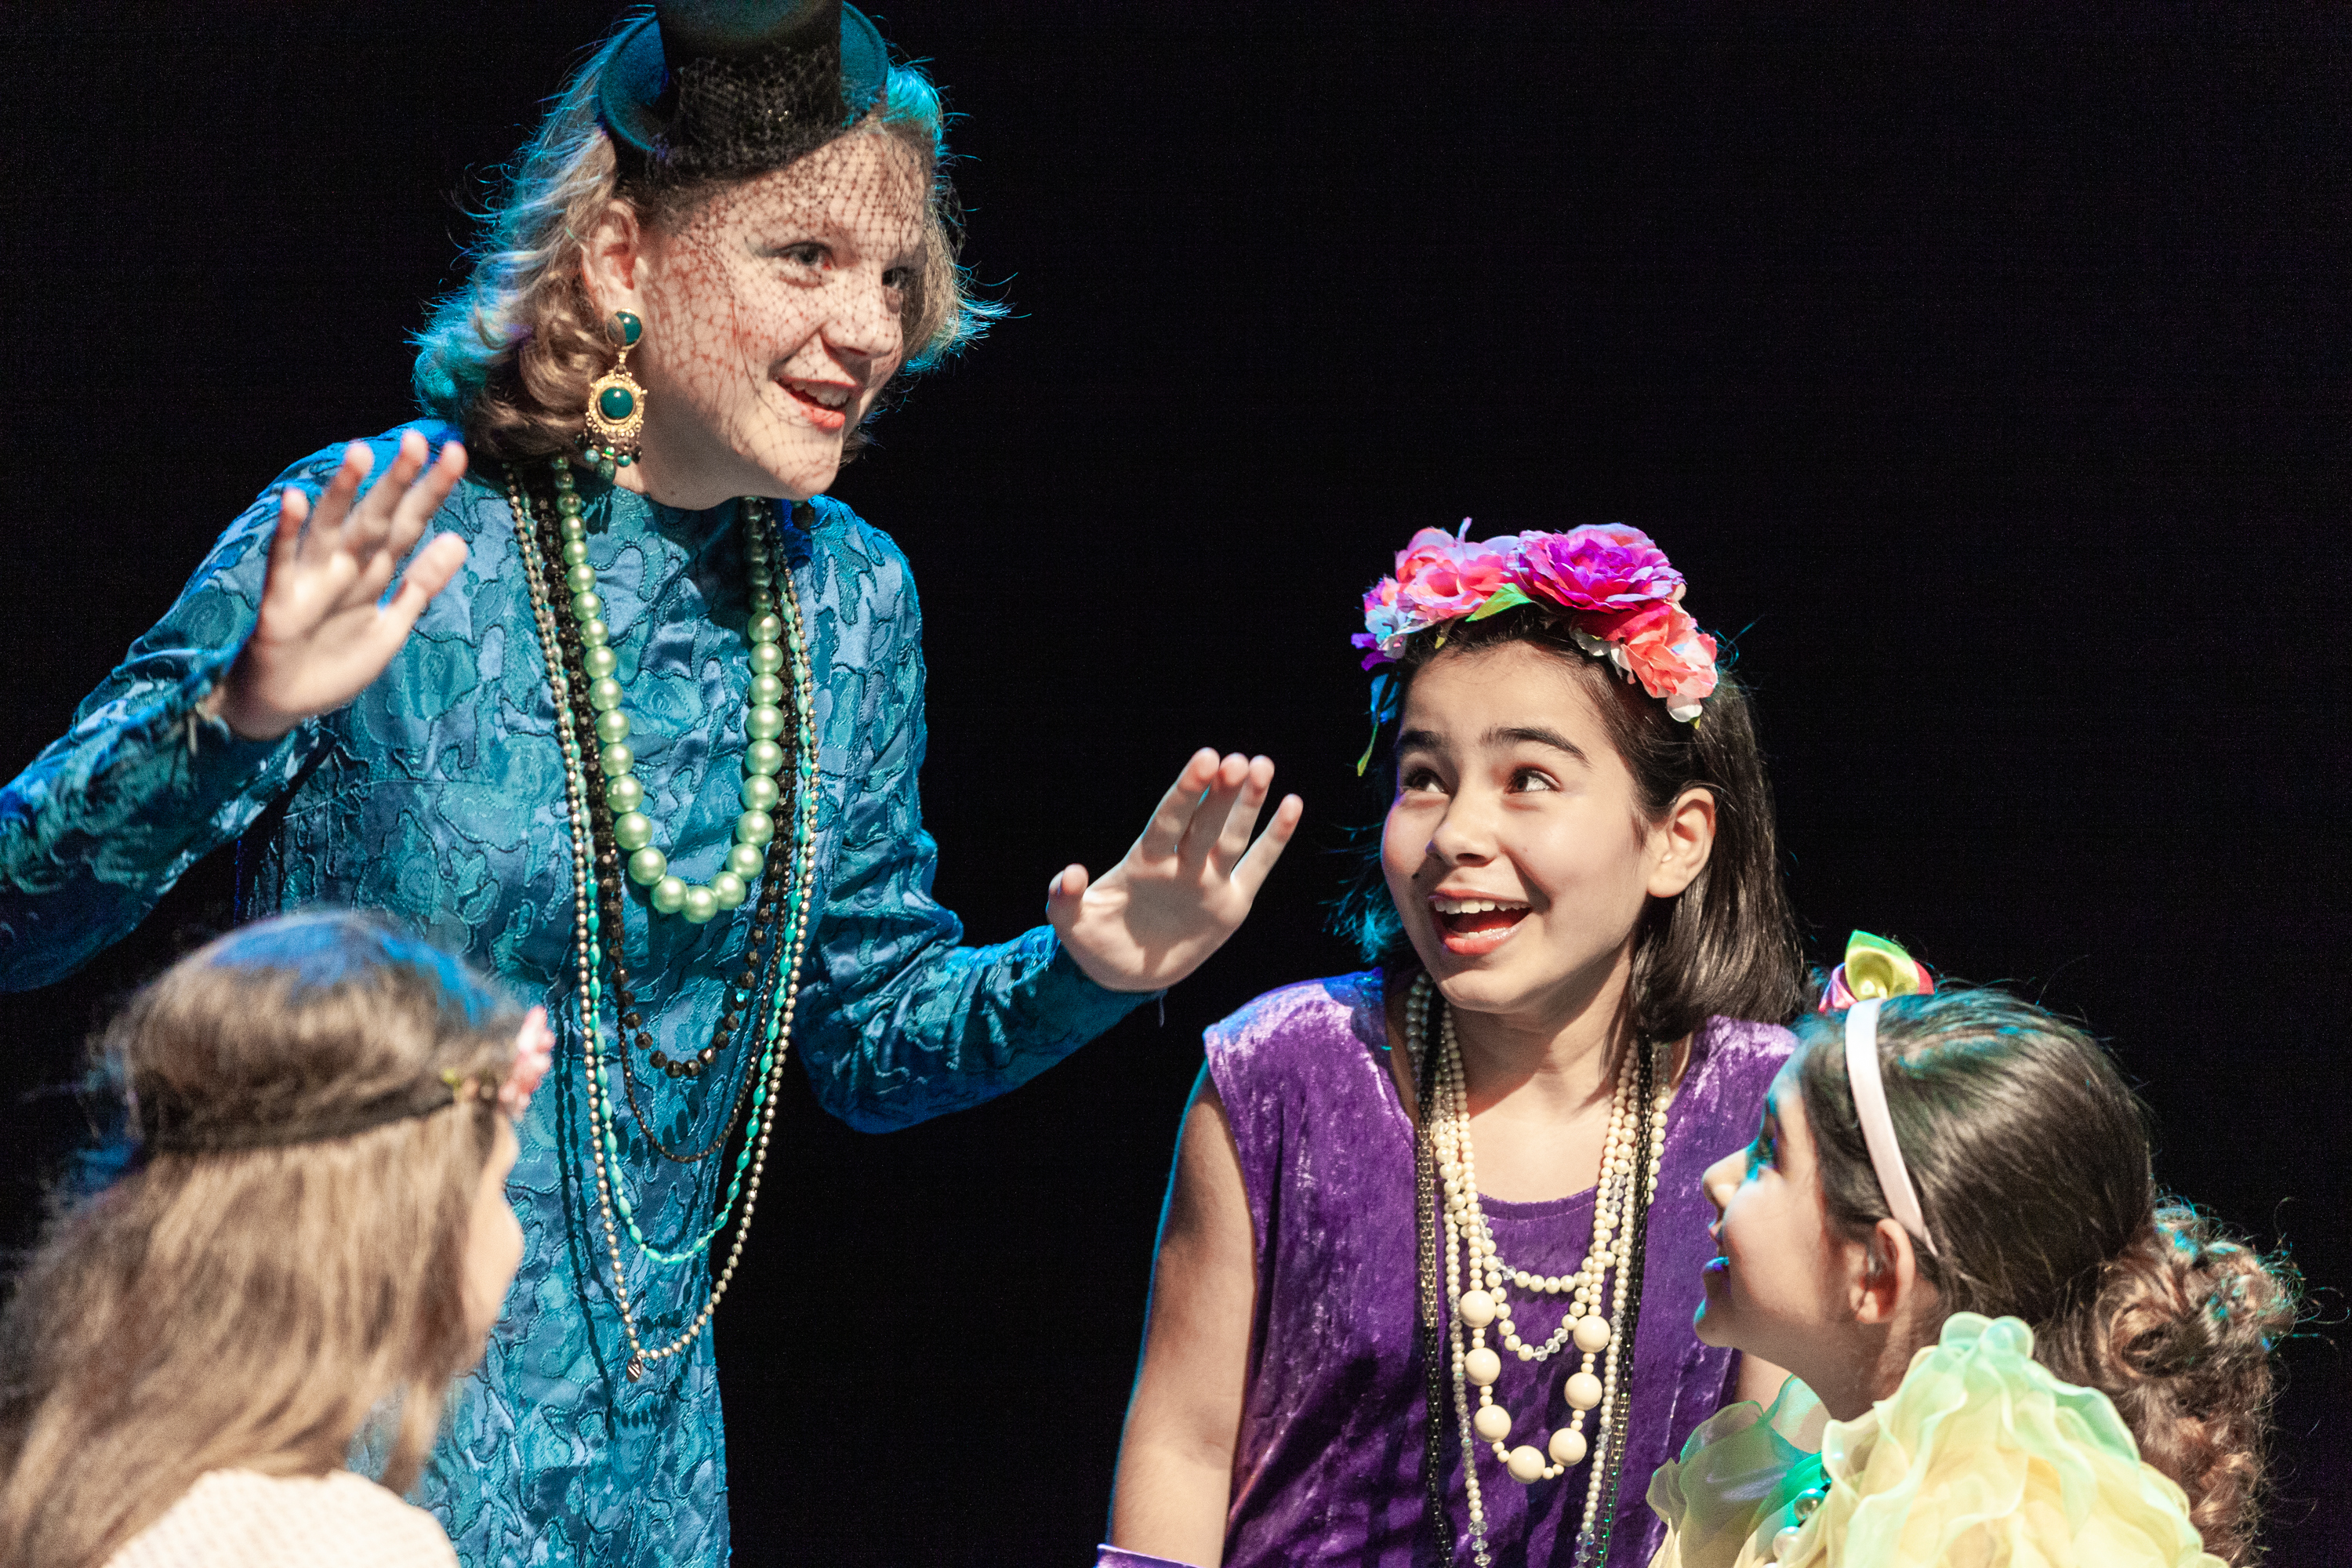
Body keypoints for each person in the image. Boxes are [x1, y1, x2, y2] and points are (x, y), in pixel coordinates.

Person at [0, 4, 1301, 1563]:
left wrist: (1080, 973)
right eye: (804, 259)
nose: (873, 328)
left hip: (643, 1467)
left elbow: (868, 1040)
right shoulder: (395, 532)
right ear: (620, 257)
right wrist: (237, 712)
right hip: (314, 1408)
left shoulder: (847, 600)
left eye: (893, 276)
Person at [1102, 523, 1806, 1568]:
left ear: (1676, 839)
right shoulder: (1283, 1077)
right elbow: (1187, 1448)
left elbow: (1786, 1489)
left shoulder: (1771, 1111)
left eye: (1529, 778)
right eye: (1424, 777)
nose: (1457, 833)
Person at [1656, 936, 2299, 1567]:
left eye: (1769, 1154)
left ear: (1877, 1272)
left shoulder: (1969, 1542)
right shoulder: (1820, 1493)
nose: (1718, 1176)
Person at [0, 911, 547, 1568]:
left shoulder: (51, 1466)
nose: (515, 1238)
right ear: (396, 1230)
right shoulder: (350, 1547)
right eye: (499, 1190)